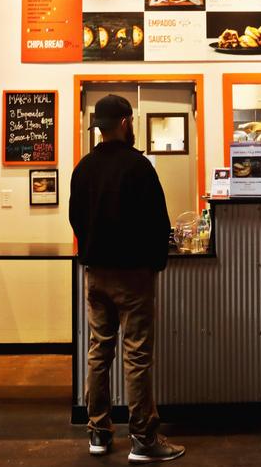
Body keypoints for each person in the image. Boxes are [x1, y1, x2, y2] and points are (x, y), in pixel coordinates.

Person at [69, 95, 185, 463]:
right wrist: (155, 263)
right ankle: (143, 439)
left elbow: (76, 219)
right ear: (124, 122)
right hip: (133, 276)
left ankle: (99, 433)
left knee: (98, 351)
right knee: (136, 356)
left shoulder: (83, 167)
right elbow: (159, 223)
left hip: (96, 274)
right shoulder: (139, 167)